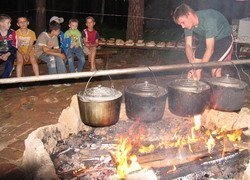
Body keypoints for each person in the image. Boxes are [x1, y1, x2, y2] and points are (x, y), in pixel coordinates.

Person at [173, 3, 233, 80]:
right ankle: (196, 89)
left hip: (224, 38)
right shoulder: (188, 25)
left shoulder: (209, 20)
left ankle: (218, 91)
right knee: (196, 64)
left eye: (183, 22)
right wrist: (193, 66)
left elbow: (209, 49)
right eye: (180, 24)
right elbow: (188, 45)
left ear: (189, 14)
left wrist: (198, 68)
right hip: (207, 39)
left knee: (214, 69)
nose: (182, 26)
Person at [35, 21, 69, 87]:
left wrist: (58, 53)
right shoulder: (43, 35)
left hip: (49, 52)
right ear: (53, 30)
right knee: (52, 59)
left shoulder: (54, 36)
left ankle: (64, 79)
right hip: (40, 53)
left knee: (59, 58)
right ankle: (53, 80)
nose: (59, 32)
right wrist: (58, 54)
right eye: (58, 31)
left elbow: (57, 49)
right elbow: (45, 51)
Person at [0, 14, 17, 78]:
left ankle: (4, 80)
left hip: (10, 53)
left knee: (9, 63)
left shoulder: (12, 32)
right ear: (1, 23)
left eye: (10, 23)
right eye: (8, 23)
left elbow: (15, 46)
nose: (10, 24)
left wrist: (8, 54)